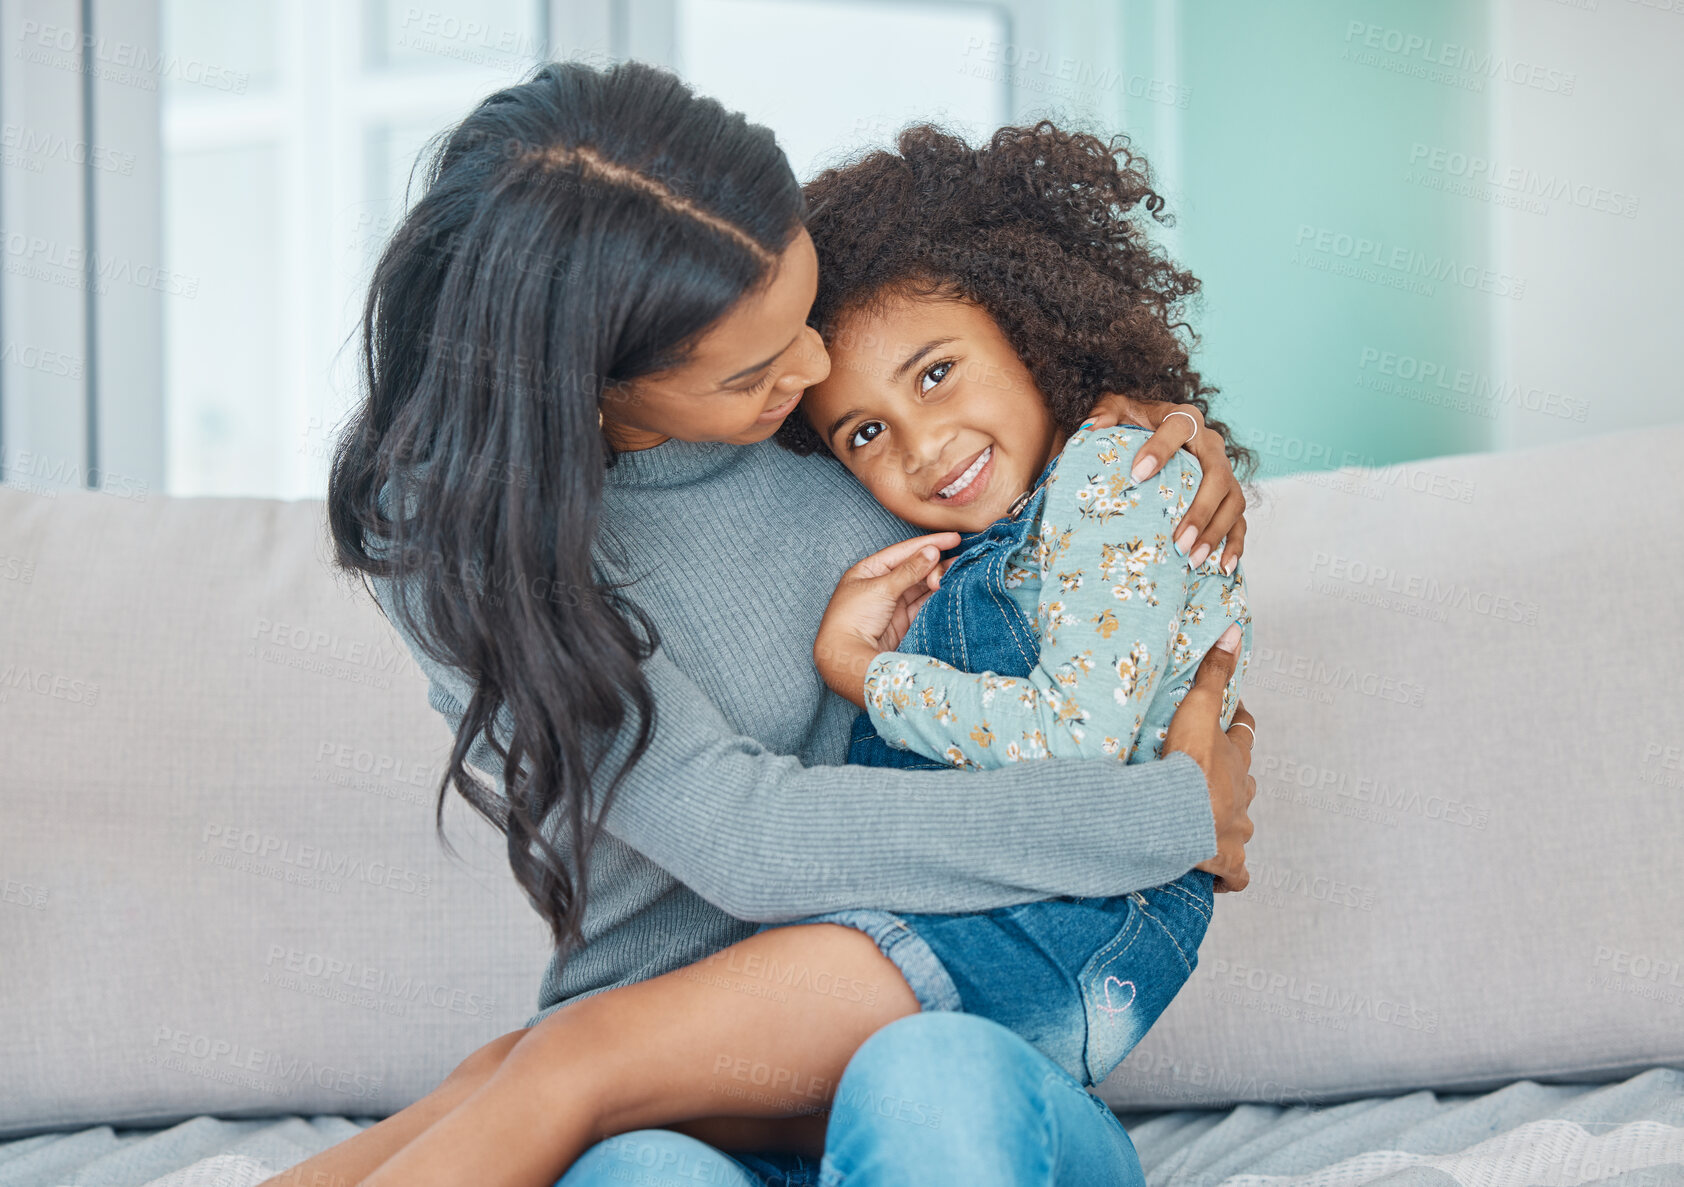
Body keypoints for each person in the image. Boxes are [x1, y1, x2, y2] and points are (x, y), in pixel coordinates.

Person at [271, 61, 1257, 1187]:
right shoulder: (464, 542)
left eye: (806, 304)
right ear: (591, 388)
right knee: (626, 1148)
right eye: (756, 367)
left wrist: (1148, 433)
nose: (818, 365)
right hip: (671, 1065)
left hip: (940, 1020)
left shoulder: (830, 414)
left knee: (920, 1081)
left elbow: (1041, 464)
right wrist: (1160, 812)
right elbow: (744, 835)